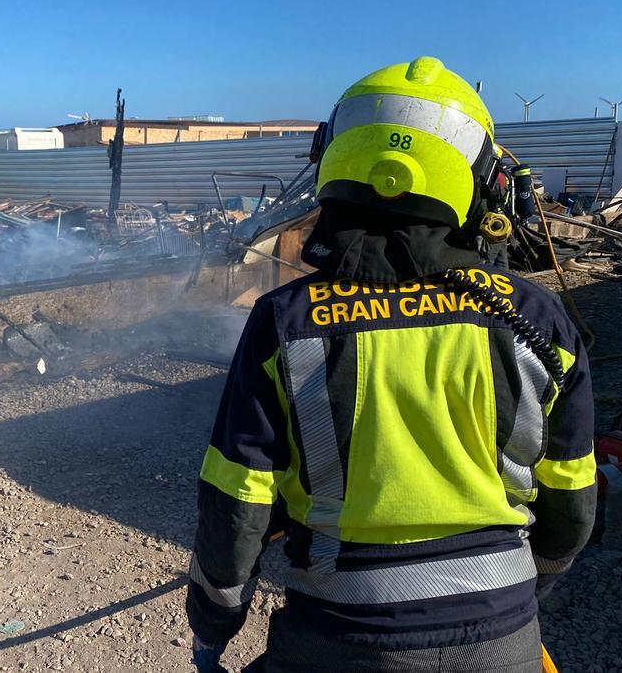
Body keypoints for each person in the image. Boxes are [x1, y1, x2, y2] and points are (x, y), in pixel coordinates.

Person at [185, 56, 597, 673]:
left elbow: (238, 502)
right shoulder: (539, 319)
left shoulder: (285, 320)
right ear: (485, 181)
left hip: (340, 638)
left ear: (332, 161)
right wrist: (517, 592)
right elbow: (571, 502)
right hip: (505, 636)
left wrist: (212, 626)